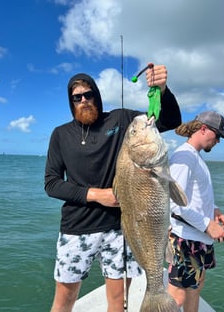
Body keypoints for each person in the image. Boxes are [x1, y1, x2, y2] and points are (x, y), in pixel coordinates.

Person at [45, 64, 181, 312]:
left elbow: (170, 120)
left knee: (118, 300)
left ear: (97, 95)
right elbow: (52, 184)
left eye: (89, 94)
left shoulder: (121, 119)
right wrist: (97, 195)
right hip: (76, 228)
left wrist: (161, 90)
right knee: (64, 299)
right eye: (77, 97)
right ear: (71, 101)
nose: (84, 100)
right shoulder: (60, 135)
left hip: (119, 228)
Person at [167, 111, 224, 312]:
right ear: (203, 129)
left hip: (198, 239)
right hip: (185, 240)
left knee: (196, 287)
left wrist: (214, 210)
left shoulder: (196, 157)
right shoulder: (184, 156)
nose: (219, 141)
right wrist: (207, 224)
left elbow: (194, 195)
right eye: (218, 135)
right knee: (176, 297)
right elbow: (175, 203)